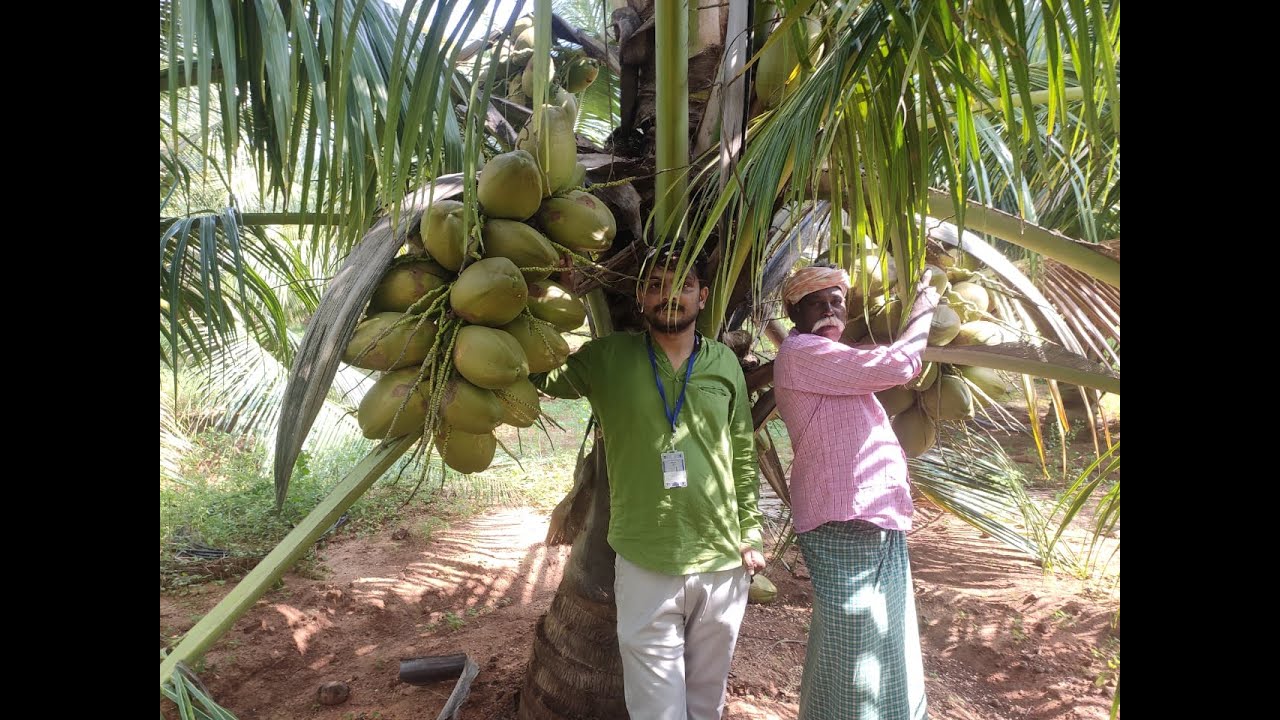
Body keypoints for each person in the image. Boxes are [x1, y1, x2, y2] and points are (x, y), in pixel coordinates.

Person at [532, 249, 767, 720]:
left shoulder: (722, 362)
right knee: (655, 709)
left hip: (721, 559)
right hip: (643, 558)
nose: (669, 295)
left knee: (706, 701)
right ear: (641, 298)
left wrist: (751, 534)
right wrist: (544, 294)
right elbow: (539, 374)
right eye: (656, 285)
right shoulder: (608, 359)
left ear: (702, 297)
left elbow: (742, 451)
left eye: (682, 285)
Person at [772, 263, 941, 720]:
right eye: (817, 301)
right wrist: (926, 301)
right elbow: (901, 364)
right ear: (794, 311)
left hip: (877, 517)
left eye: (837, 300)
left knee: (885, 640)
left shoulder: (837, 360)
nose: (830, 308)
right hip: (842, 518)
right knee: (854, 644)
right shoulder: (804, 353)